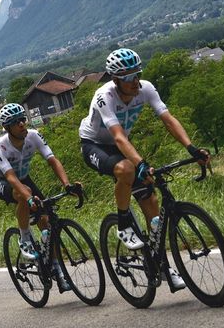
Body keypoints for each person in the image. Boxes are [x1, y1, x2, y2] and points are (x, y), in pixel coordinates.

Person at [79, 48, 210, 289]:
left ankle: (162, 265)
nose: (135, 81)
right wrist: (141, 164)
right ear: (115, 79)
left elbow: (168, 119)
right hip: (94, 145)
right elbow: (117, 136)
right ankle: (122, 223)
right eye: (128, 77)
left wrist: (192, 149)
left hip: (122, 146)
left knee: (151, 202)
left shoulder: (145, 89)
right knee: (128, 169)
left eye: (137, 74)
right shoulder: (103, 95)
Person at [0, 103, 79, 292]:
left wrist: (67, 184)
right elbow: (11, 177)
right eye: (16, 122)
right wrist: (28, 198)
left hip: (24, 179)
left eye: (23, 119)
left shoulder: (34, 135)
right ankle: (24, 238)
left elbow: (52, 160)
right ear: (7, 128)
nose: (22, 124)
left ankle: (56, 270)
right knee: (23, 194)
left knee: (46, 222)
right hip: (2, 181)